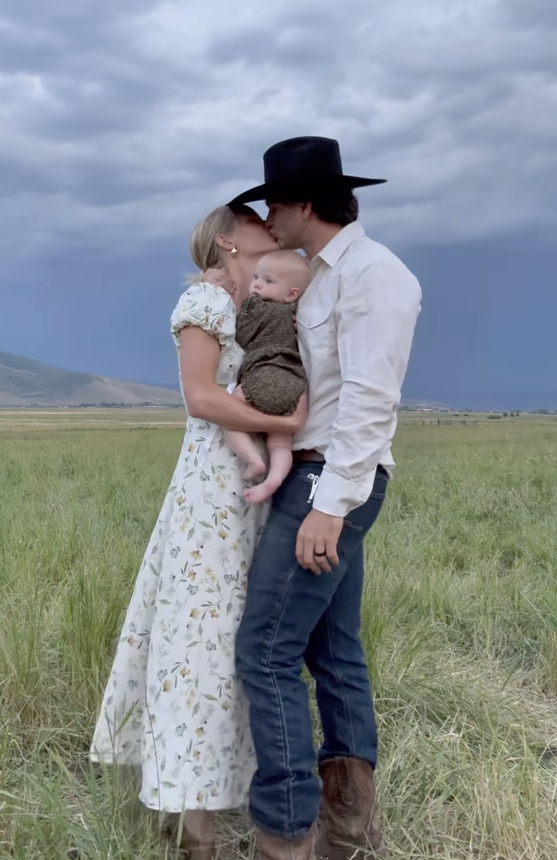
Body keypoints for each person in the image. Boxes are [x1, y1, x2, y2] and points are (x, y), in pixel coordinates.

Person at [89, 202, 307, 860]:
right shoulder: (206, 306)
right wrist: (288, 427)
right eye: (253, 221)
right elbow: (200, 397)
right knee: (200, 649)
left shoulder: (255, 306)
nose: (269, 225)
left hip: (251, 494)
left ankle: (216, 808)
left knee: (241, 647)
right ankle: (196, 834)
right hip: (213, 494)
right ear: (226, 242)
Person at [230, 137, 422, 860]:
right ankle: (348, 833)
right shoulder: (322, 275)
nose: (268, 216)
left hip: (330, 477)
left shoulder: (375, 276)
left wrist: (330, 504)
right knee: (334, 650)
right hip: (324, 473)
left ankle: (286, 837)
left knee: (266, 651)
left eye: (274, 202)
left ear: (307, 203)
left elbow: (371, 401)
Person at [222, 249, 312, 504]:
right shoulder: (296, 314)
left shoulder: (256, 307)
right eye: (257, 277)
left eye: (268, 281)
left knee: (230, 417)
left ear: (291, 292)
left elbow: (241, 335)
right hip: (294, 382)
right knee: (281, 443)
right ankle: (273, 481)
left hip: (263, 374)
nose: (257, 284)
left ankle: (254, 461)